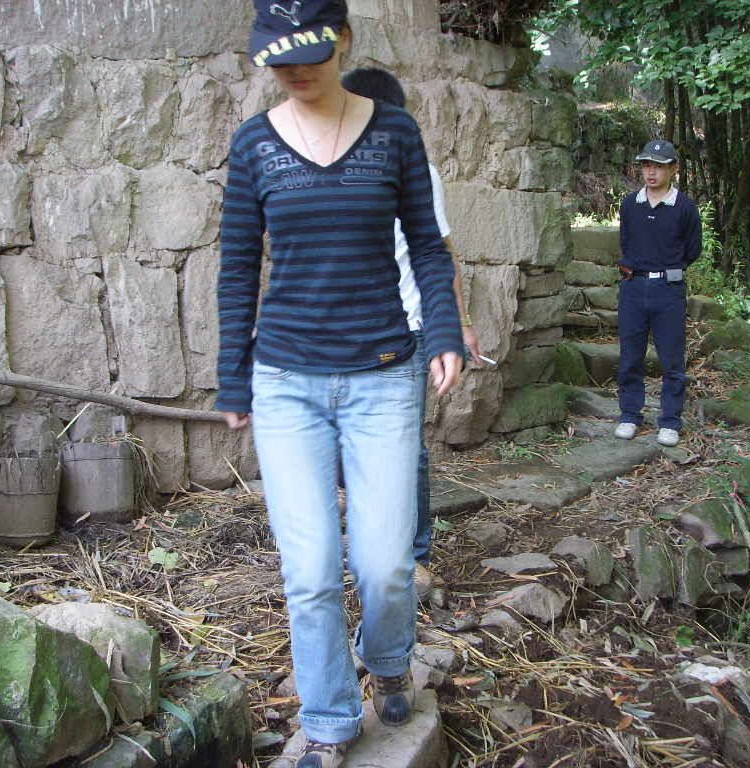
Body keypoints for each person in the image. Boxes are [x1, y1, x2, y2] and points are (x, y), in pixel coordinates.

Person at [216, 3, 464, 766]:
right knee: (312, 569)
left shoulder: (395, 133)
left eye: (311, 53)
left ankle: (386, 658)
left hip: (382, 379)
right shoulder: (254, 144)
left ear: (345, 41)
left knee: (386, 565)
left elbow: (428, 246)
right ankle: (328, 718)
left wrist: (444, 331)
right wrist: (233, 378)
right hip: (286, 383)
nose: (294, 70)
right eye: (279, 58)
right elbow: (237, 266)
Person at [340, 67, 481, 600]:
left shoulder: (419, 172)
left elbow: (441, 253)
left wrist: (460, 323)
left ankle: (413, 555)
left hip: (409, 329)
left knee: (405, 448)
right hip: (346, 333)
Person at [614, 139, 701, 447]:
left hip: (669, 289)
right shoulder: (630, 204)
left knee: (672, 359)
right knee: (630, 355)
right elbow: (626, 242)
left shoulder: (685, 207)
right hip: (634, 286)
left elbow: (692, 250)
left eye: (659, 167)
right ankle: (629, 415)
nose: (651, 173)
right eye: (647, 166)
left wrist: (667, 270)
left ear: (673, 169)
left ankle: (670, 421)